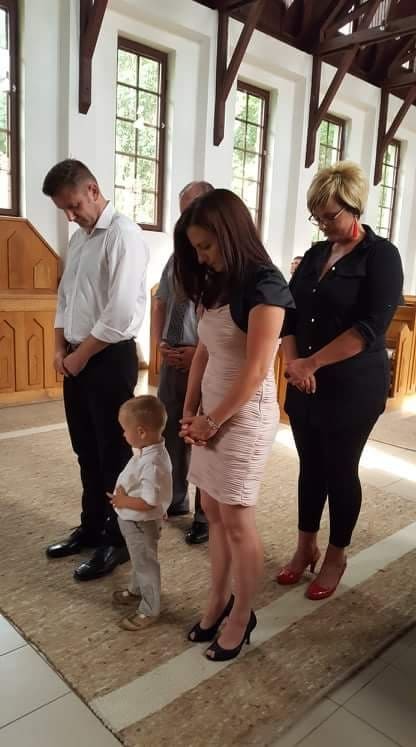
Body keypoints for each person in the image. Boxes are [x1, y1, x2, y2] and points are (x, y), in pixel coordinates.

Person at [174, 189, 294, 661]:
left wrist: (212, 420)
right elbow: (204, 350)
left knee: (238, 519)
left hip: (244, 417)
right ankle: (217, 600)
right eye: (196, 248)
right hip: (210, 413)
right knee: (212, 509)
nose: (202, 256)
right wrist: (190, 409)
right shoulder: (215, 281)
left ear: (230, 234)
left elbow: (257, 370)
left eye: (206, 246)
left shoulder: (267, 286)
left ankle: (243, 615)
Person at [277, 161, 403, 600]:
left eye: (330, 216)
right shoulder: (315, 255)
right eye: (317, 217)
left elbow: (369, 328)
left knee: (340, 470)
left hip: (353, 385)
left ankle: (335, 555)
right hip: (304, 381)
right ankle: (305, 546)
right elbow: (288, 314)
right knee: (310, 467)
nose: (324, 225)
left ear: (354, 207)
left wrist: (312, 363)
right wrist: (294, 363)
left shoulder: (381, 256)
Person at [43, 159, 149, 581]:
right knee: (85, 448)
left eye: (73, 205)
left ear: (93, 189)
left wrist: (80, 355)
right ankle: (90, 528)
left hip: (109, 357)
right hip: (77, 356)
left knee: (113, 453)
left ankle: (117, 539)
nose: (71, 216)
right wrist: (59, 348)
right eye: (63, 210)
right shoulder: (79, 240)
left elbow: (120, 312)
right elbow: (65, 300)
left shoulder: (123, 234)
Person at [153, 181, 214, 545]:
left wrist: (197, 353)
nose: (185, 220)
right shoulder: (177, 256)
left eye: (191, 211)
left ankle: (205, 514)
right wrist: (160, 343)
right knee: (171, 429)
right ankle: (176, 498)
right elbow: (161, 301)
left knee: (202, 435)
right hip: (173, 354)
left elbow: (220, 321)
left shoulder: (218, 258)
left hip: (203, 356)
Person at [108, 396, 172, 630]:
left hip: (140, 523)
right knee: (139, 559)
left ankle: (149, 609)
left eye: (125, 429)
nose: (123, 434)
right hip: (136, 522)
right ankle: (136, 590)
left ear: (141, 432)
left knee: (146, 564)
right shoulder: (148, 451)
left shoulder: (152, 462)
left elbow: (148, 501)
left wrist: (122, 500)